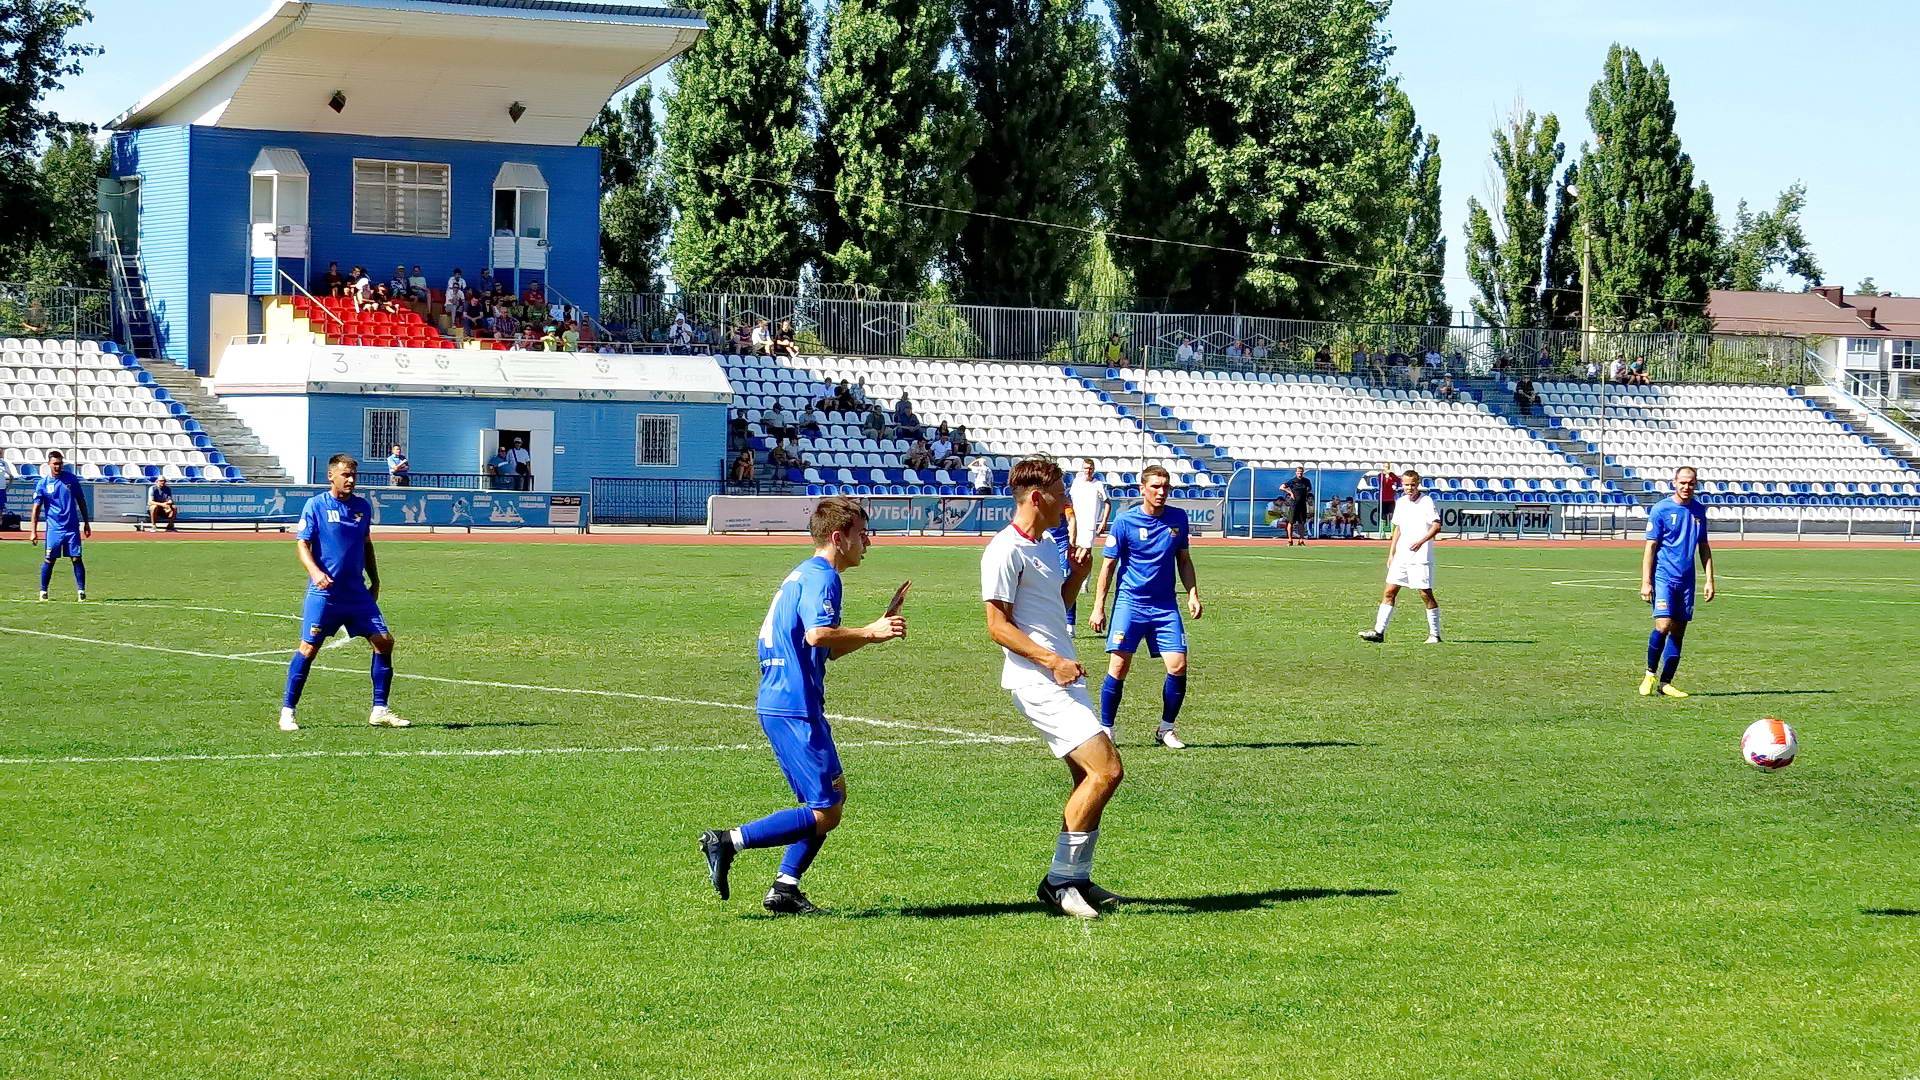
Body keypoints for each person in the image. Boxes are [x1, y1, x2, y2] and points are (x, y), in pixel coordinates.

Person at [700, 497, 906, 915]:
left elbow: (824, 650)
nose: (867, 542)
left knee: (831, 799)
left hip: (783, 700)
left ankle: (785, 888)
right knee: (826, 810)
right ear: (838, 537)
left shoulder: (802, 575)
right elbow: (817, 635)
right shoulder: (824, 578)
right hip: (794, 704)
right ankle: (728, 841)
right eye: (862, 534)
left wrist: (872, 634)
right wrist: (870, 631)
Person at [980, 457, 1121, 919]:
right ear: (1037, 497)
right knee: (1107, 771)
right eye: (1060, 491)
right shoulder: (1004, 549)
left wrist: (1077, 578)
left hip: (1063, 675)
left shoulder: (1041, 544)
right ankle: (1060, 881)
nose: (1066, 499)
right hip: (1039, 679)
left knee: (1088, 777)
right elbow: (997, 626)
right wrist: (1051, 660)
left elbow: (1050, 610)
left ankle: (1075, 877)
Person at [279, 453, 406, 732]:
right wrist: (315, 572)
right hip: (325, 594)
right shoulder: (316, 505)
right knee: (309, 649)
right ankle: (288, 711)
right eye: (345, 475)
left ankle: (380, 710)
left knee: (384, 641)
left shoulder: (362, 507)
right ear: (331, 476)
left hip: (356, 593)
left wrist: (375, 580)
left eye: (353, 475)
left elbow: (366, 544)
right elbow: (302, 544)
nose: (350, 480)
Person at [1090, 464, 1201, 750]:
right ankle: (1107, 728)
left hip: (1165, 606)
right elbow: (1108, 567)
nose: (1161, 492)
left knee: (1178, 666)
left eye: (1166, 487)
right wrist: (1098, 606)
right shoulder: (1125, 522)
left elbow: (1184, 561)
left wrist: (1192, 594)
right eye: (1155, 486)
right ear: (1142, 489)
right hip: (1131, 603)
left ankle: (1166, 729)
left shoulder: (1178, 518)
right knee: (1119, 666)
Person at [1640, 466, 1715, 699]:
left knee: (1679, 632)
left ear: (1696, 484)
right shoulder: (1661, 509)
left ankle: (1666, 683)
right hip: (1664, 577)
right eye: (1683, 482)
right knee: (1663, 626)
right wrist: (1646, 581)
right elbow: (1650, 547)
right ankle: (1650, 673)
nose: (1686, 487)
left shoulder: (1698, 511)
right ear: (1674, 482)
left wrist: (1709, 579)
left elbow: (1703, 547)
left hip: (1687, 581)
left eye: (1691, 483)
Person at [1358, 469, 1442, 644]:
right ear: (1402, 484)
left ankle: (1435, 634)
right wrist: (1392, 553)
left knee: (1425, 593)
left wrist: (1421, 541)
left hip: (1420, 557)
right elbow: (1398, 529)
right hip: (1402, 556)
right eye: (1406, 484)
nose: (1409, 488)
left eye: (1412, 484)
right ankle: (1379, 631)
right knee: (1389, 591)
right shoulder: (1401, 502)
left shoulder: (1426, 501)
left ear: (1418, 484)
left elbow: (1436, 525)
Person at [28, 450, 91, 601]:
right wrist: (33, 531)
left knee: (76, 558)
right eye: (55, 464)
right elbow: (36, 508)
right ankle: (43, 591)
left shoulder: (71, 479)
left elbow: (81, 501)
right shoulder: (43, 484)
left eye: (60, 463)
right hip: (54, 529)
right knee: (49, 559)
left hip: (72, 528)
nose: (58, 466)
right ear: (49, 464)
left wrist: (86, 523)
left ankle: (81, 591)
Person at [1068, 458, 1110, 572]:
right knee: (1074, 549)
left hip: (1090, 522)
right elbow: (1070, 500)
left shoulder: (1098, 484)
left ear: (1094, 470)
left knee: (1086, 552)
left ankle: (1085, 581)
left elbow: (1107, 503)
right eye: (1086, 468)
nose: (1088, 470)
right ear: (1082, 469)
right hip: (1076, 522)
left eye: (1090, 468)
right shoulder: (1076, 482)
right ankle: (1073, 576)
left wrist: (1104, 521)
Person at [1282, 465, 1313, 546]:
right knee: (1291, 522)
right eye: (1298, 472)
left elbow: (1309, 489)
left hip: (1302, 504)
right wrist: (1290, 492)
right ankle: (1290, 540)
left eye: (1301, 472)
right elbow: (1282, 487)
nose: (1300, 474)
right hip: (1294, 504)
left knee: (1302, 523)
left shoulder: (1306, 481)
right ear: (1296, 473)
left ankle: (1301, 540)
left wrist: (1305, 494)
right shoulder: (1292, 481)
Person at [1376, 462, 1401, 538]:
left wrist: (1394, 484)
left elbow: (1399, 481)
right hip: (1383, 499)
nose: (1386, 468)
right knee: (1382, 516)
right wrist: (1386, 476)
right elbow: (1382, 483)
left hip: (1391, 498)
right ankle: (1382, 532)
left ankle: (1392, 533)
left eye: (1388, 467)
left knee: (1392, 516)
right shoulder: (1381, 476)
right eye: (1385, 467)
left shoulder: (1392, 475)